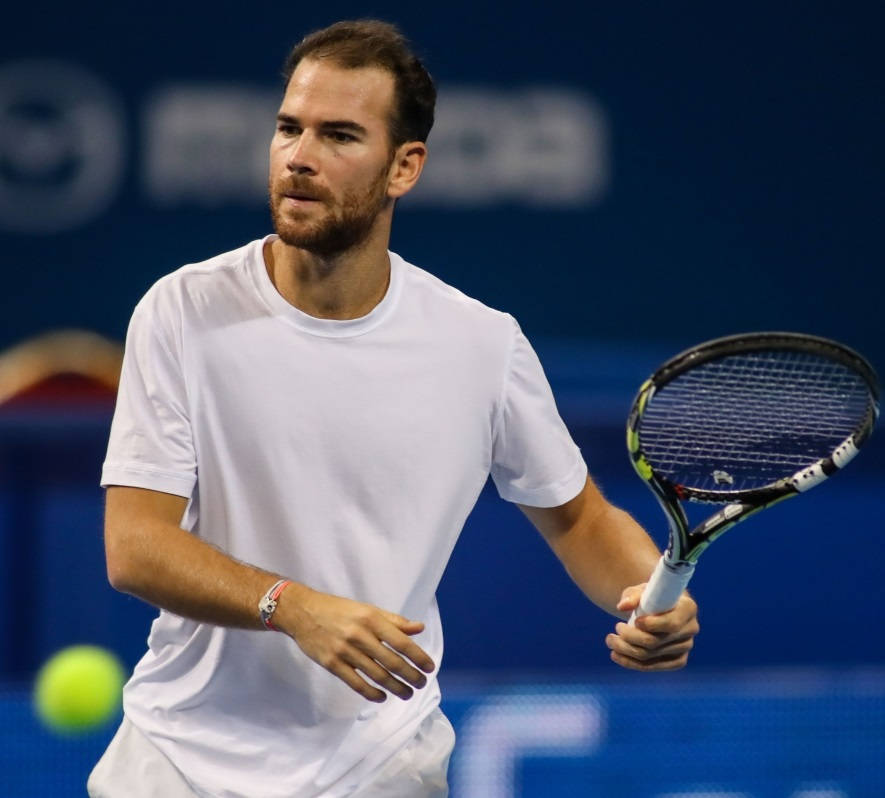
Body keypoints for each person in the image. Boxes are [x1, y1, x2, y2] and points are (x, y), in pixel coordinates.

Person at [88, 19, 699, 798]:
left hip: (377, 765)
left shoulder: (480, 344)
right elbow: (134, 546)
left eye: (340, 136)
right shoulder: (181, 310)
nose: (300, 157)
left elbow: (577, 518)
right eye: (288, 128)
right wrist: (294, 607)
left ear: (403, 167)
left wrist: (655, 597)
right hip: (176, 760)